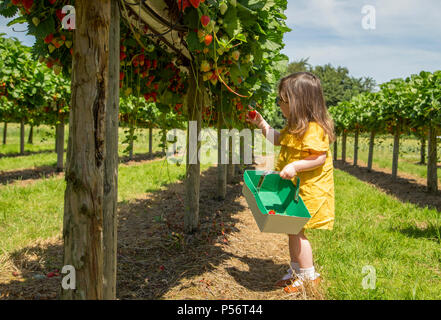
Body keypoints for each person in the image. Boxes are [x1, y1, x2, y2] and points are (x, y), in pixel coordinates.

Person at [246, 72, 336, 293]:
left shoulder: (313, 129)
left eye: (282, 100)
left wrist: (295, 166)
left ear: (298, 103)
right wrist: (261, 124)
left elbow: (319, 157)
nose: (279, 104)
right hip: (295, 188)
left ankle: (308, 276)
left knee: (297, 230)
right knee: (291, 228)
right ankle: (296, 271)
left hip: (309, 190)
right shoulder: (295, 125)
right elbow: (278, 139)